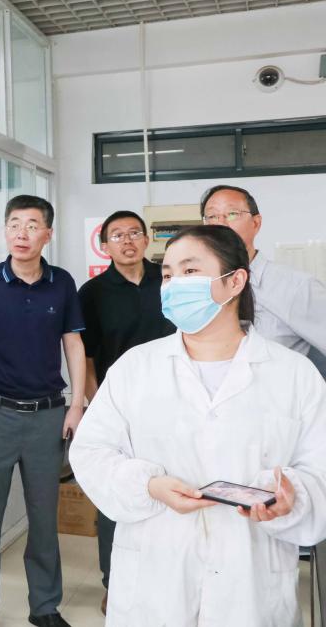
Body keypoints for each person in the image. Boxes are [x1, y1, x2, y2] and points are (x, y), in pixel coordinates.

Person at [69, 224, 326, 626]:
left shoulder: (293, 374)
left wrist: (292, 498)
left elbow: (319, 469)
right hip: (156, 578)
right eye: (167, 274)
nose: (173, 285)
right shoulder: (136, 368)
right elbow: (90, 453)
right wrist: (149, 486)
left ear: (235, 281)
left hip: (250, 582)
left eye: (189, 271)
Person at [0, 195, 86, 627]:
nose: (21, 233)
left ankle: (45, 608)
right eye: (14, 224)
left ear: (47, 233)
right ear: (5, 231)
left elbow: (74, 344)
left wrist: (77, 404)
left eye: (32, 225)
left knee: (43, 520)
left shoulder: (62, 283)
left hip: (48, 415)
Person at [76, 210, 175, 613]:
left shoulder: (168, 280)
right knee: (116, 491)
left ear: (147, 239)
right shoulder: (92, 292)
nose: (128, 241)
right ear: (105, 246)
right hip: (119, 406)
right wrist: (99, 404)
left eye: (135, 233)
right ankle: (113, 581)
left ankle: (167, 578)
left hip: (173, 402)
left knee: (169, 486)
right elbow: (86, 357)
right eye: (117, 235)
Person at [200, 184, 326, 374]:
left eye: (232, 214)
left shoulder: (297, 287)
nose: (221, 223)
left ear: (256, 223)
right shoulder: (201, 286)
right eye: (212, 216)